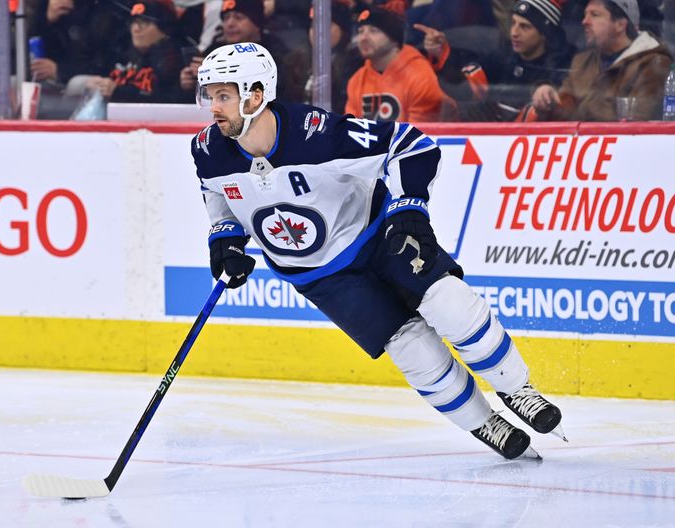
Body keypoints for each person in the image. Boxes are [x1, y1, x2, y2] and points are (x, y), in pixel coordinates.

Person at [190, 42, 566, 460]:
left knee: (450, 303)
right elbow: (217, 194)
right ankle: (484, 423)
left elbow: (411, 144)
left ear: (255, 95)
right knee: (411, 348)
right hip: (320, 277)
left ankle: (517, 390)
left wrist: (409, 207)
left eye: (223, 95)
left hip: (376, 239)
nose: (213, 107)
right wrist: (224, 238)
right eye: (210, 96)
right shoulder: (208, 150)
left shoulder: (317, 135)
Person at [418, 0, 575, 121]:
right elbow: (465, 87)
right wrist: (442, 54)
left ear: (544, 34)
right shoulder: (502, 58)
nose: (514, 32)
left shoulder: (562, 66)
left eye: (524, 27)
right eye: (513, 23)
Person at [531, 0, 673, 121]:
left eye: (595, 15)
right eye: (585, 14)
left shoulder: (654, 64)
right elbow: (565, 113)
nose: (584, 21)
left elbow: (637, 121)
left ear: (620, 25)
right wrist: (548, 102)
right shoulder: (582, 61)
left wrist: (584, 110)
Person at [345, 5, 448, 122]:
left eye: (373, 31)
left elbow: (420, 134)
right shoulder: (357, 80)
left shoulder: (419, 74)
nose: (363, 37)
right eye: (360, 31)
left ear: (394, 39)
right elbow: (351, 130)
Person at [83, 0, 185, 103]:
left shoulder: (176, 63)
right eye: (133, 22)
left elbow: (169, 101)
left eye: (145, 23)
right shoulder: (118, 54)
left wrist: (120, 92)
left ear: (165, 28)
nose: (136, 29)